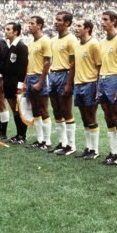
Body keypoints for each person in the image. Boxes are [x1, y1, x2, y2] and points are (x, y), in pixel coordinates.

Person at [97, 11, 117, 166]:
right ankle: (113, 151)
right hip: (103, 79)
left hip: (115, 78)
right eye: (102, 19)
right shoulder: (103, 42)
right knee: (107, 116)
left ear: (114, 21)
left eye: (105, 20)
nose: (102, 22)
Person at [48, 11, 78, 155]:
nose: (56, 22)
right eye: (56, 19)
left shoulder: (71, 40)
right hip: (53, 74)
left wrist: (69, 83)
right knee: (56, 109)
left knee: (66, 110)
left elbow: (73, 63)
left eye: (59, 20)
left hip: (64, 74)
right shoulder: (53, 40)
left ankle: (71, 145)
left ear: (67, 23)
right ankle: (62, 142)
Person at [72, 19, 102, 160]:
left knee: (91, 116)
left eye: (79, 26)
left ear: (87, 28)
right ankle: (88, 147)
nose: (76, 28)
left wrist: (97, 86)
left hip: (90, 83)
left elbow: (99, 66)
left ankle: (94, 150)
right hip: (79, 83)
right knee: (84, 117)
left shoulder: (94, 44)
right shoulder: (77, 45)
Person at [25, 16, 52, 149]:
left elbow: (47, 62)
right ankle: (39, 139)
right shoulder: (31, 43)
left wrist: (41, 82)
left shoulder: (45, 40)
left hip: (39, 77)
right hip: (30, 77)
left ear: (39, 26)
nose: (29, 25)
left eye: (32, 23)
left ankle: (47, 141)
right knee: (35, 109)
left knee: (43, 109)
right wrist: (25, 81)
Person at [3, 22, 29, 144]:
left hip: (16, 82)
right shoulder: (11, 46)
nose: (6, 31)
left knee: (19, 109)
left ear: (16, 32)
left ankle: (22, 136)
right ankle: (18, 134)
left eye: (8, 29)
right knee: (14, 109)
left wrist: (20, 85)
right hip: (8, 81)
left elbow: (23, 67)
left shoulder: (21, 46)